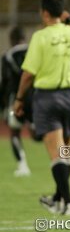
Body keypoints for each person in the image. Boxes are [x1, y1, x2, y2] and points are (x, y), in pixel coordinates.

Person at [14, 0, 70, 216]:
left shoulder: (40, 37)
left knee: (56, 154)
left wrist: (18, 99)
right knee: (65, 151)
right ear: (62, 12)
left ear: (44, 13)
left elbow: (28, 74)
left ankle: (69, 204)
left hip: (48, 97)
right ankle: (58, 199)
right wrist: (69, 18)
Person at [0, 26, 39, 176]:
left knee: (15, 132)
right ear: (24, 37)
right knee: (39, 132)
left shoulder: (8, 56)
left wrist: (3, 105)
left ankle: (23, 165)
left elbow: (4, 82)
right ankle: (56, 159)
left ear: (11, 40)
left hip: (16, 99)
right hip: (36, 97)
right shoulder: (34, 51)